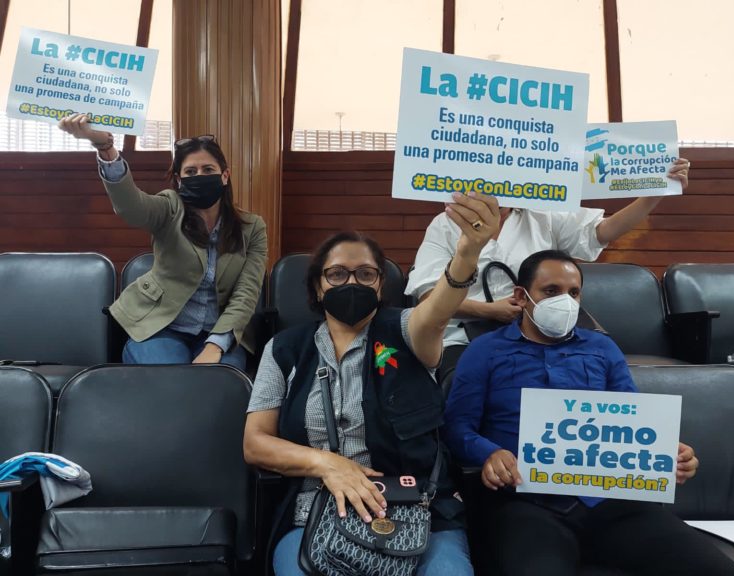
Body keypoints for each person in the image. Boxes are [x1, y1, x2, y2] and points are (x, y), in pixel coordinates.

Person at [243, 190, 500, 576]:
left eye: (366, 274)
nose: (352, 282)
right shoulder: (284, 348)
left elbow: (437, 311)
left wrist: (467, 253)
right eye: (337, 274)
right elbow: (255, 443)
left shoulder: (408, 331)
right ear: (317, 287)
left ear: (380, 286)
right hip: (316, 511)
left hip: (418, 509)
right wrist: (327, 464)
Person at [442, 250, 734, 576]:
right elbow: (457, 427)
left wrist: (665, 454)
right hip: (525, 502)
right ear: (521, 296)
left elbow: (631, 422)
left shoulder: (602, 349)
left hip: (609, 500)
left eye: (573, 293)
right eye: (551, 291)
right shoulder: (485, 351)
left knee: (718, 571)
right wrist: (490, 454)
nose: (565, 301)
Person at [405, 159, 692, 364]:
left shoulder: (542, 213)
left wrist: (654, 194)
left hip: (543, 335)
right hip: (465, 341)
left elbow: (602, 231)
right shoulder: (445, 225)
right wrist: (489, 311)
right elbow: (429, 296)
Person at [58, 114, 267, 371]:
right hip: (160, 326)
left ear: (225, 176)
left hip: (220, 331)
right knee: (167, 381)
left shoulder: (252, 227)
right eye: (190, 172)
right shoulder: (169, 207)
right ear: (179, 180)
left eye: (208, 170)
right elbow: (131, 207)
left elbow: (246, 293)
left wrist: (216, 345)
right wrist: (105, 147)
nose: (199, 175)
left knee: (218, 385)